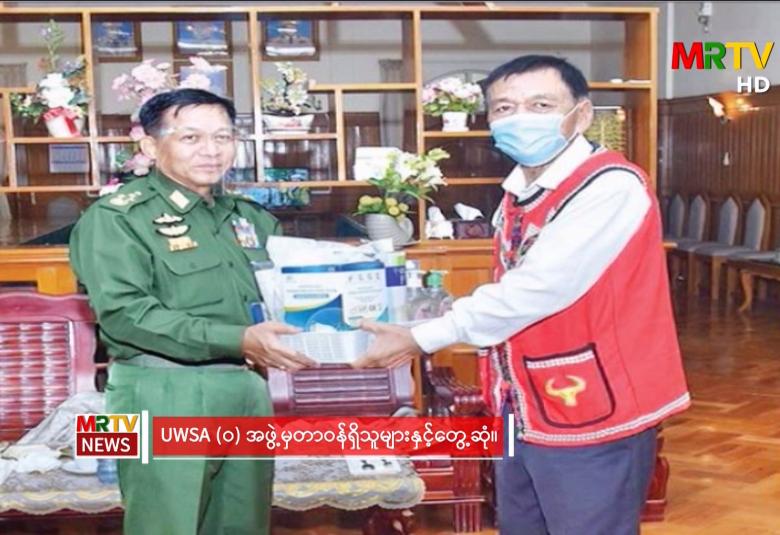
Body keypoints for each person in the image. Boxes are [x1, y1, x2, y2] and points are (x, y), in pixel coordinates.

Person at [354, 55, 690, 534]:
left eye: (541, 105)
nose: (520, 118)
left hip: (592, 403)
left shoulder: (609, 186)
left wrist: (420, 337)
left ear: (582, 114)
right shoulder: (518, 191)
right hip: (522, 401)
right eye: (504, 108)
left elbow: (537, 289)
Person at [70, 88, 316, 535]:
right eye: (191, 137)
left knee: (245, 524)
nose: (211, 150)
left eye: (223, 137)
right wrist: (237, 339)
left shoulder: (251, 218)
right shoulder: (116, 217)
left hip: (247, 388)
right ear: (150, 146)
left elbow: (286, 296)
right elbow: (125, 314)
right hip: (156, 391)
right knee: (165, 525)